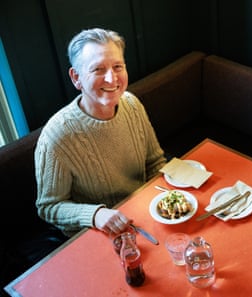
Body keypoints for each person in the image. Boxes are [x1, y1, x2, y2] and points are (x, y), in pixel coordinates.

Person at [35, 28, 166, 238]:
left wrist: (169, 199)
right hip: (95, 233)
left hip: (142, 214)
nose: (111, 78)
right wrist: (95, 214)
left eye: (117, 67)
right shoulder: (57, 135)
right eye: (98, 69)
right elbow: (49, 207)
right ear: (76, 77)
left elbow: (155, 163)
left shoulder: (132, 104)